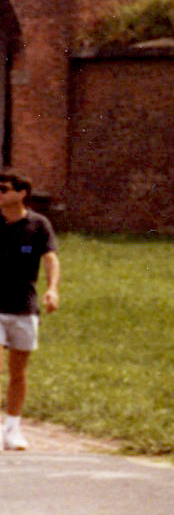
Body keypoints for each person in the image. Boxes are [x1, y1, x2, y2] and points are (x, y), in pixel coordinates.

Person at [0, 168, 59, 452]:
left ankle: (12, 429)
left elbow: (50, 258)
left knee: (18, 373)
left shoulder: (38, 225)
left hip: (24, 308)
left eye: (4, 189)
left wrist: (53, 288)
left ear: (22, 193)